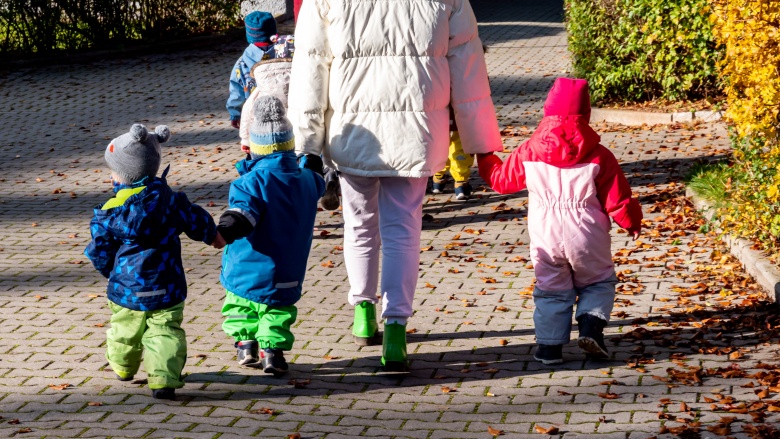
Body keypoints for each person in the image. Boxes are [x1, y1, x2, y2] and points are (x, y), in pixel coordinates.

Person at [288, 0, 502, 370]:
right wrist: (480, 144)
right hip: (417, 133)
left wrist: (306, 144)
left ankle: (363, 313)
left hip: (355, 134)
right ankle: (396, 332)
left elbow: (311, 67)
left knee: (358, 225)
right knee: (404, 230)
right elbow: (469, 71)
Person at [477, 78, 643, 365]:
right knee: (598, 282)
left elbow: (501, 180)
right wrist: (631, 221)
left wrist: (485, 156)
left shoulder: (529, 151)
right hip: (588, 233)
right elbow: (618, 197)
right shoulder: (599, 155)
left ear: (547, 110)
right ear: (586, 113)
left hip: (546, 234)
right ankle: (591, 326)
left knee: (552, 288)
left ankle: (549, 348)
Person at [85, 124, 222, 400]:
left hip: (126, 288)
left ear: (122, 176)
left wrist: (110, 272)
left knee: (125, 328)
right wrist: (214, 235)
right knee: (165, 331)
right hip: (167, 286)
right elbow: (197, 219)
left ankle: (123, 367)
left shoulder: (110, 211)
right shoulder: (172, 203)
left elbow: (100, 250)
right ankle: (163, 380)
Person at [217, 96, 324, 376]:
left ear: (254, 149)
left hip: (246, 265)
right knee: (277, 310)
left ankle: (245, 344)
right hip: (289, 267)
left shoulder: (249, 182)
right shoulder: (307, 180)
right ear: (290, 144)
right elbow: (320, 181)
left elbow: (243, 213)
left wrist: (225, 230)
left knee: (240, 305)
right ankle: (273, 354)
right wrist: (312, 163)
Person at [226, 11, 281, 129]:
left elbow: (236, 88)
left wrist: (235, 113)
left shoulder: (242, 63)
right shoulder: (285, 54)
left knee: (256, 139)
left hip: (253, 112)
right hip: (283, 109)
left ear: (249, 36)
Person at [431, 107, 474, 200]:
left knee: (440, 143)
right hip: (461, 109)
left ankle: (438, 179)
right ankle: (460, 182)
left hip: (435, 109)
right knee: (459, 146)